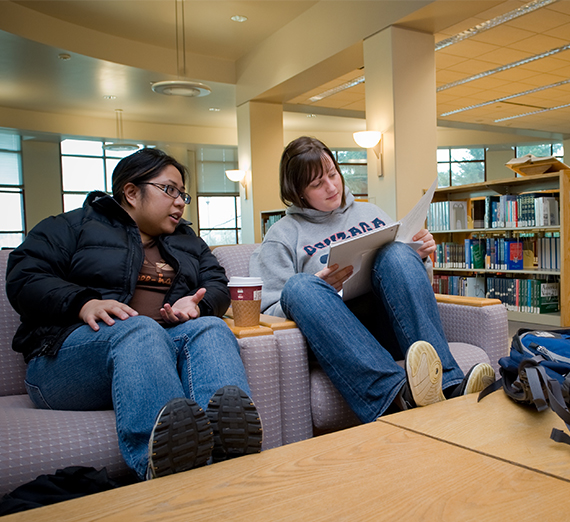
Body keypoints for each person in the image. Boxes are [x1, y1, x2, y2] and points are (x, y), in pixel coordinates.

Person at [6, 148, 262, 481]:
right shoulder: (74, 226)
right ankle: (162, 465)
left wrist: (197, 305)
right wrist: (83, 303)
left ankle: (232, 464)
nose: (181, 201)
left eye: (182, 193)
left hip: (160, 345)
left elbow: (215, 281)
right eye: (170, 190)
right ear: (131, 192)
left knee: (211, 328)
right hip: (66, 359)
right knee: (139, 329)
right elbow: (24, 275)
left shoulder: (187, 241)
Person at [249, 136, 495, 422]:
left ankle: (448, 384)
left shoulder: (371, 213)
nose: (331, 187)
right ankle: (395, 396)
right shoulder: (282, 235)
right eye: (317, 184)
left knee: (396, 253)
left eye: (333, 174)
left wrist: (422, 256)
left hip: (391, 326)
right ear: (298, 192)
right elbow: (267, 310)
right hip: (341, 340)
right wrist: (320, 287)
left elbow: (415, 284)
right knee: (299, 286)